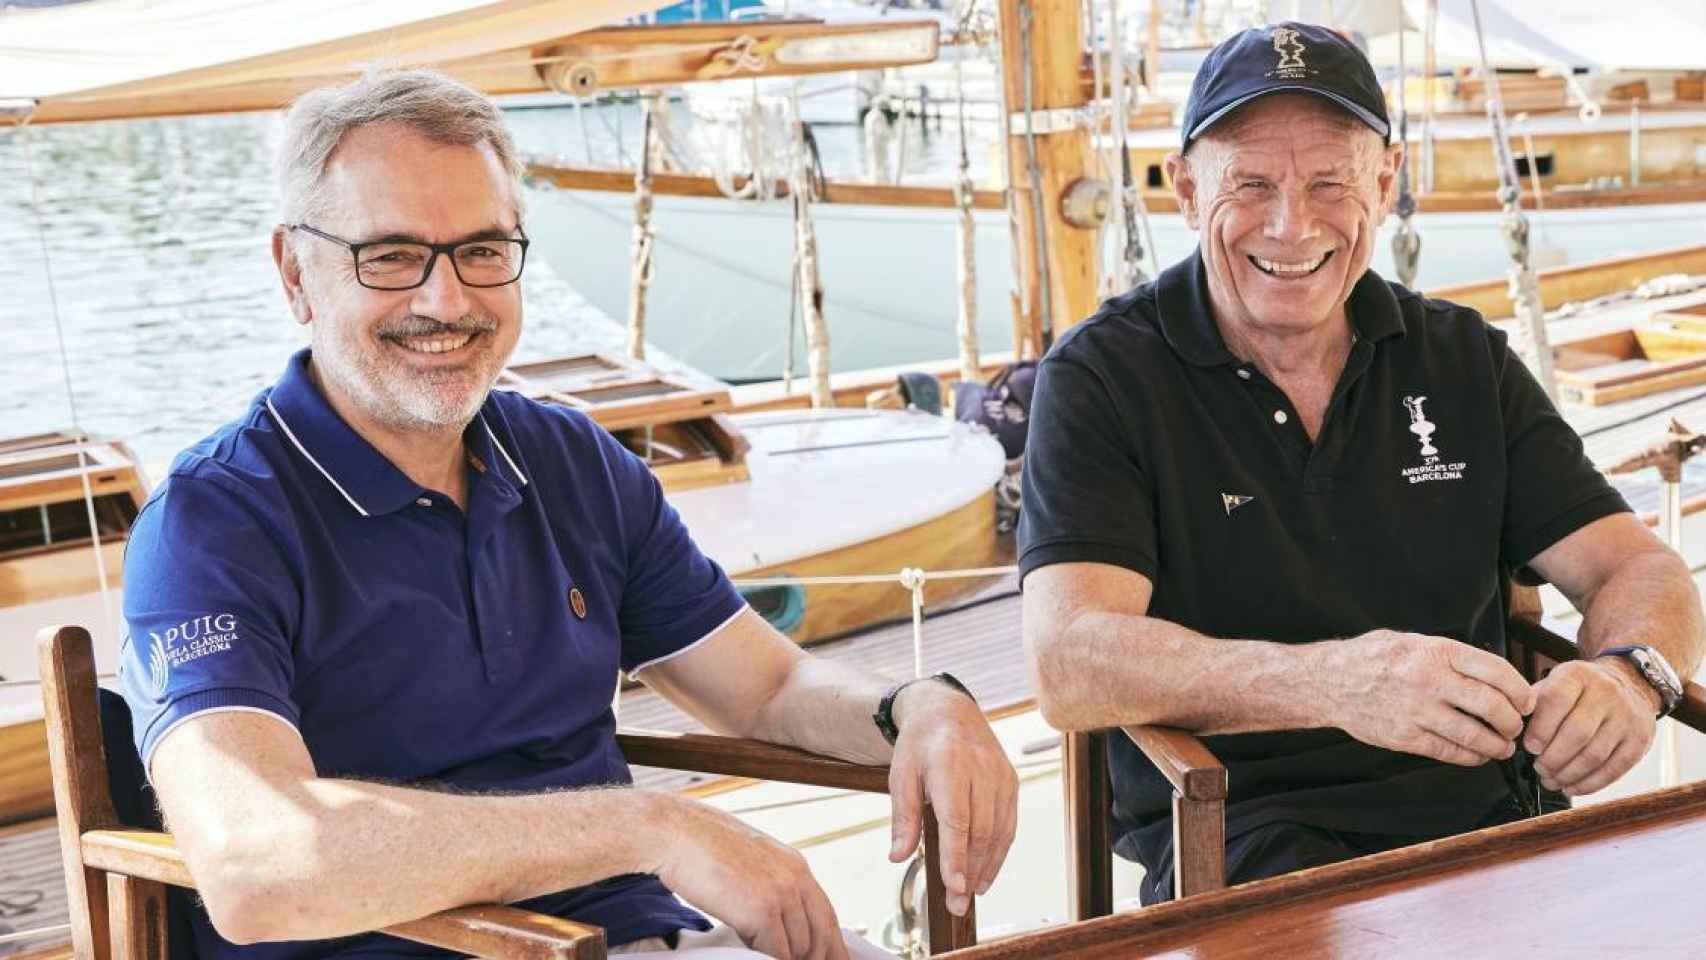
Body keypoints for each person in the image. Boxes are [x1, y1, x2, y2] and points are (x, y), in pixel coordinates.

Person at [118, 70, 1017, 960]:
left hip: (638, 936)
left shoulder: (569, 461)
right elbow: (254, 862)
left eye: (481, 249)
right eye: (390, 256)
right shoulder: (215, 522)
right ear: (295, 271)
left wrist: (916, 707)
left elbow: (769, 688)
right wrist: (647, 828)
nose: (447, 300)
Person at [1018, 22, 1703, 904]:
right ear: (1186, 192)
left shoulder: (1461, 356)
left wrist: (1631, 677)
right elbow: (1069, 660)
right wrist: (1337, 683)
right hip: (1248, 840)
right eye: (1252, 183)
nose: (1290, 223)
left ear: (1387, 183)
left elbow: (1637, 565)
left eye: (1329, 182)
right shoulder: (1104, 375)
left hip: (1496, 818)